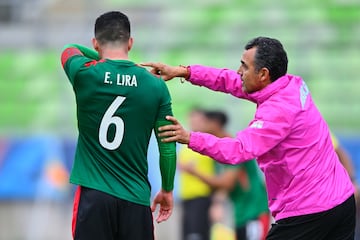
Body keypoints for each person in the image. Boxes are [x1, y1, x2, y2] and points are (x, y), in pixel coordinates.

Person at [142, 36, 355, 239]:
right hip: (341, 200)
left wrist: (189, 138)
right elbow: (229, 80)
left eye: (244, 66)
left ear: (263, 74)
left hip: (308, 212)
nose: (239, 71)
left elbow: (238, 150)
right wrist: (184, 72)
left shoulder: (278, 111)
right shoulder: (290, 84)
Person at [61, 11, 176, 240]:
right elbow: (167, 145)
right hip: (135, 197)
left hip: (94, 195)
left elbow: (69, 49)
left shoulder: (84, 73)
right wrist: (167, 189)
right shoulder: (156, 85)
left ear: (95, 43)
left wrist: (102, 57)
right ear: (130, 42)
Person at [180, 110, 270, 240]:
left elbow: (227, 183)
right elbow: (223, 186)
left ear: (215, 124)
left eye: (204, 122)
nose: (200, 126)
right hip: (240, 212)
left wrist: (195, 172)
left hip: (254, 210)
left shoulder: (233, 146)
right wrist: (217, 202)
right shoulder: (217, 153)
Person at [178, 108, 216, 240]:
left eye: (197, 120)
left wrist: (217, 203)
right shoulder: (186, 143)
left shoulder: (209, 143)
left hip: (202, 197)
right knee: (187, 235)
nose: (194, 123)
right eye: (191, 120)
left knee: (197, 235)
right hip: (186, 197)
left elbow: (217, 176)